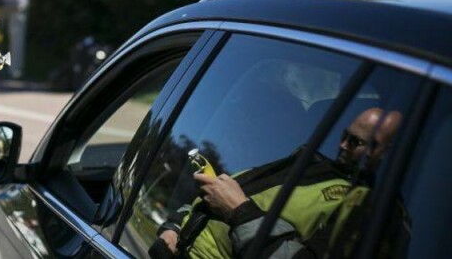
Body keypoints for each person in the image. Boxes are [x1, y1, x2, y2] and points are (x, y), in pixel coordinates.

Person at [151, 107, 402, 259]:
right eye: (344, 135)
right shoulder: (305, 162)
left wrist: (240, 211)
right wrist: (172, 228)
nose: (342, 145)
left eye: (355, 142)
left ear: (386, 152)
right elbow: (207, 197)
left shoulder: (371, 211)